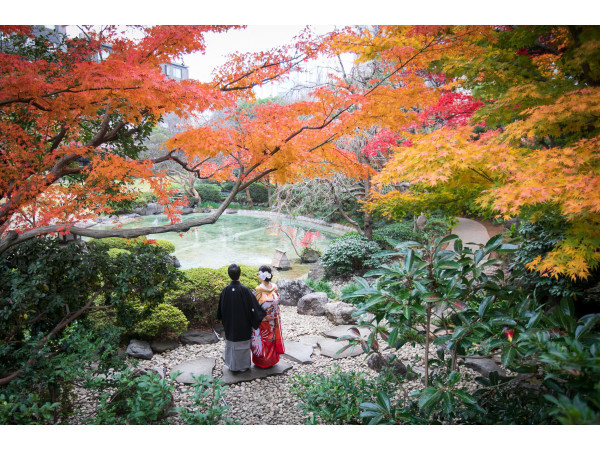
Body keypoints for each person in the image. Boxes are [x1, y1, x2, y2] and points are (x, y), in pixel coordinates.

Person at [217, 263, 266, 372]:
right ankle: (243, 366)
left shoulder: (225, 290)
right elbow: (254, 307)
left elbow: (221, 308)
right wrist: (261, 315)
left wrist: (223, 318)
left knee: (231, 343)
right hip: (243, 324)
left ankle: (231, 365)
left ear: (229, 275)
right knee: (243, 344)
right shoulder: (244, 290)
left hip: (230, 323)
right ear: (240, 274)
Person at [251, 265, 285, 368]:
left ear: (261, 275)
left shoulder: (274, 287)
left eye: (259, 273)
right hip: (262, 320)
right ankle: (263, 362)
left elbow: (254, 306)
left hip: (273, 320)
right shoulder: (258, 290)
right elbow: (254, 307)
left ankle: (271, 361)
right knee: (263, 340)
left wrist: (275, 315)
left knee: (271, 340)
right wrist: (264, 316)